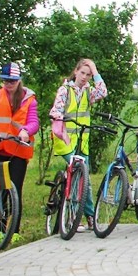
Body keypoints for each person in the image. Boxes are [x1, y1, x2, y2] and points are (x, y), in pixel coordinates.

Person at [49, 58, 108, 230]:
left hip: (82, 143)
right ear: (75, 72)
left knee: (86, 180)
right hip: (66, 142)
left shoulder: (89, 92)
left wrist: (95, 70)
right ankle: (74, 216)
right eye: (82, 73)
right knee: (77, 177)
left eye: (88, 75)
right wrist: (58, 118)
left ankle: (89, 214)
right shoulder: (65, 90)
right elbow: (56, 110)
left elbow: (103, 92)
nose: (84, 77)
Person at [0, 62, 39, 207]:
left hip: (19, 150)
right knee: (0, 190)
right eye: (6, 80)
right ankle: (1, 227)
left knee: (15, 191)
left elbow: (34, 122)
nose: (9, 84)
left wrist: (25, 131)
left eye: (12, 81)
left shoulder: (29, 100)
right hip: (0, 147)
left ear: (19, 80)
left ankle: (14, 228)